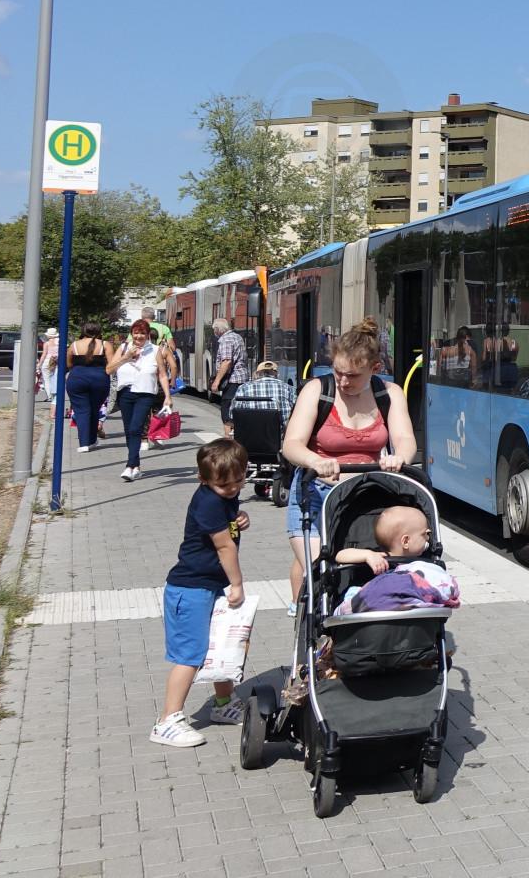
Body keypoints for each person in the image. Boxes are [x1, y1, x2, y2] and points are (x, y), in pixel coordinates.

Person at [279, 318, 417, 618]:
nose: (343, 382)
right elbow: (291, 444)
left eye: (352, 376)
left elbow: (405, 439)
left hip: (364, 497)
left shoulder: (388, 393)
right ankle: (313, 631)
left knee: (368, 571)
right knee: (320, 570)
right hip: (316, 493)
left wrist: (399, 458)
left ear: (375, 368)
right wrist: (315, 461)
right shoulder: (318, 390)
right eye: (337, 372)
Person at [149, 438, 249, 747]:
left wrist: (240, 519)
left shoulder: (222, 498)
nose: (232, 489)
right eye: (224, 485)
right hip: (190, 589)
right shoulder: (208, 501)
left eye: (239, 481)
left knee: (221, 646)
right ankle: (167, 720)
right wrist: (237, 584)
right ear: (202, 479)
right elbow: (224, 546)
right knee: (190, 656)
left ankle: (223, 703)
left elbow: (229, 528)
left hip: (209, 585)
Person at [106, 319, 164, 481]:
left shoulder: (155, 350)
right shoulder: (124, 348)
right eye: (136, 333)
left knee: (135, 428)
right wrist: (126, 357)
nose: (138, 336)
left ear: (148, 335)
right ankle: (136, 466)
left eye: (142, 333)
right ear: (131, 334)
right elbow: (109, 370)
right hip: (125, 393)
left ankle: (129, 465)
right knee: (128, 430)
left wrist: (167, 396)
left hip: (145, 394)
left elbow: (162, 374)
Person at [64, 323, 112, 455]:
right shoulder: (105, 344)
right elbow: (111, 364)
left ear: (83, 331)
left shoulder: (74, 345)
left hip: (77, 378)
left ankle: (84, 443)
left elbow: (69, 364)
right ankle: (92, 440)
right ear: (99, 331)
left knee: (82, 411)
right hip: (99, 379)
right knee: (95, 409)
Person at [209, 318, 251, 437]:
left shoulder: (226, 340)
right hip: (241, 378)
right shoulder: (237, 337)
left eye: (214, 329)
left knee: (227, 409)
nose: (214, 332)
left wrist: (216, 381)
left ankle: (228, 439)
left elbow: (226, 362)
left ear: (218, 330)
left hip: (232, 380)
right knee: (238, 407)